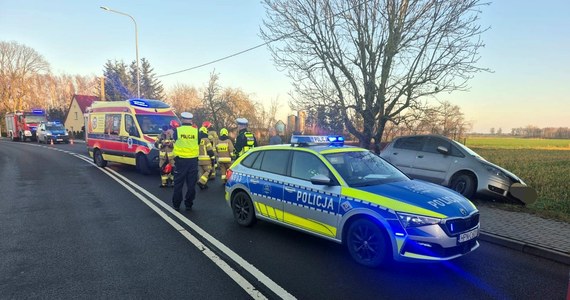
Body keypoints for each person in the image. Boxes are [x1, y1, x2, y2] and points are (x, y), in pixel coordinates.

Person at [171, 112, 199, 211]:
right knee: (191, 184)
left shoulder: (177, 130)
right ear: (191, 120)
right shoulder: (196, 131)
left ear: (182, 120)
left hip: (181, 161)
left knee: (178, 184)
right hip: (193, 161)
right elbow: (199, 143)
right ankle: (189, 204)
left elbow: (173, 140)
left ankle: (177, 204)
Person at [155, 122, 177, 187]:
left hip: (171, 157)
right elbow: (156, 144)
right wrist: (162, 145)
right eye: (164, 130)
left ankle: (173, 182)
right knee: (162, 169)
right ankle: (164, 183)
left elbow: (176, 144)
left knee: (173, 169)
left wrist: (170, 144)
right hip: (163, 157)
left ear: (168, 129)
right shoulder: (159, 136)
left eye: (166, 130)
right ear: (162, 130)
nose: (165, 131)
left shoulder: (172, 136)